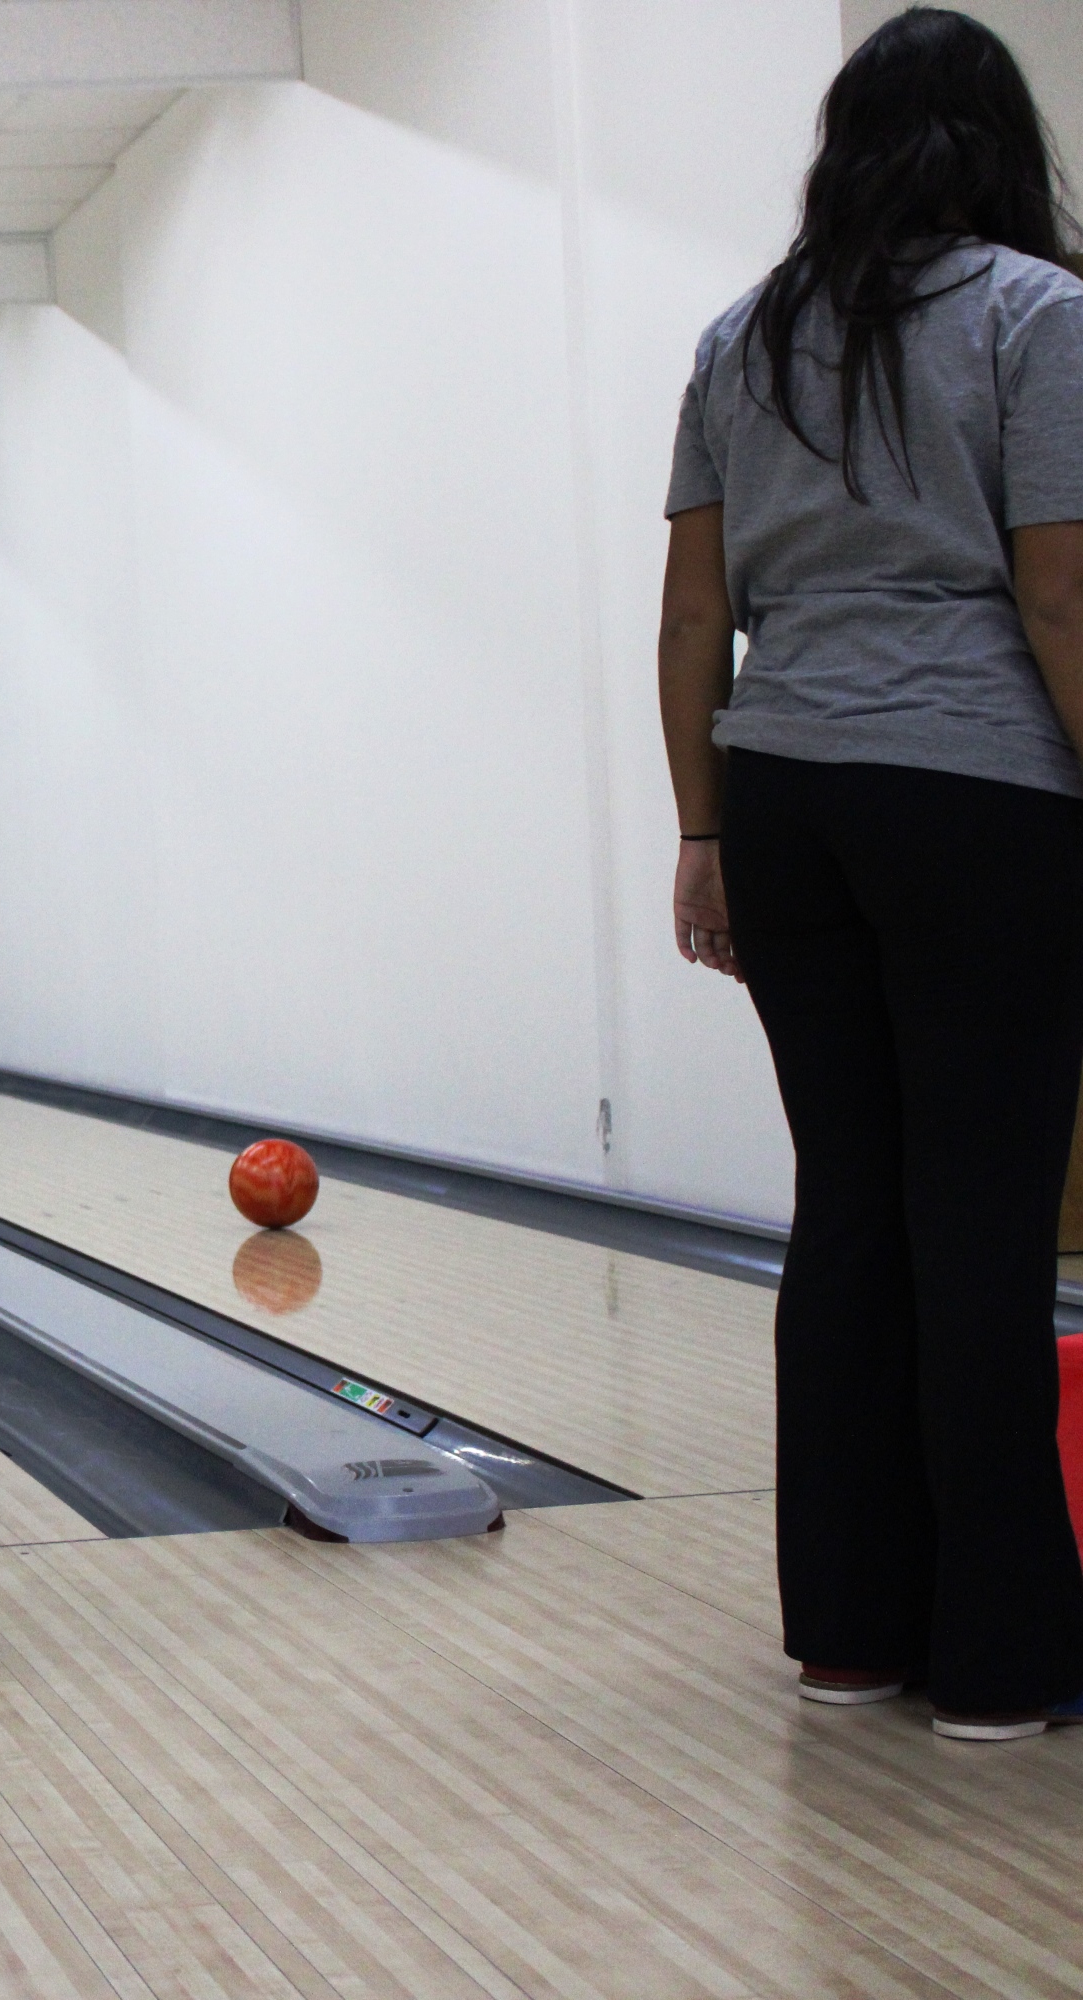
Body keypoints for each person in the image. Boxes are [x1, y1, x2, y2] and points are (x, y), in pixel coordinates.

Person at [657, 7, 1083, 1741]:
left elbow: (697, 614)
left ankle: (848, 1632)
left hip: (786, 793)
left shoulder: (741, 336)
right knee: (979, 1213)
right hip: (978, 791)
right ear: (1004, 144)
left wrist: (700, 828)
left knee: (851, 1205)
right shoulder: (1042, 317)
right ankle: (998, 1660)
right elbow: (1056, 595)